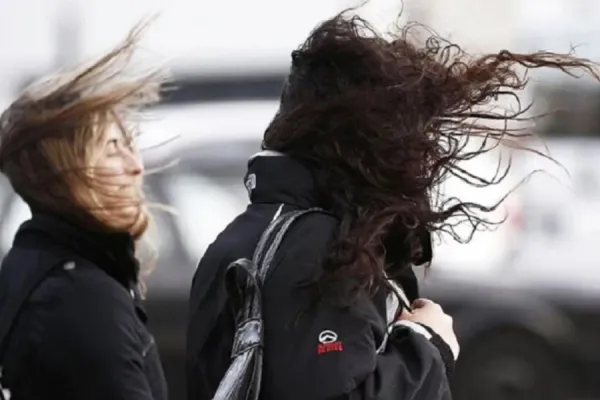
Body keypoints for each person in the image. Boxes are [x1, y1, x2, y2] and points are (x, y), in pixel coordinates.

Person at [185, 9, 599, 400]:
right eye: (408, 137)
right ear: (366, 144)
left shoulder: (245, 236)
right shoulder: (314, 247)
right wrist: (425, 345)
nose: (421, 157)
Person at [0, 22, 168, 400]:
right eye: (112, 148)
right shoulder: (84, 298)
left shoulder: (29, 267)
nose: (136, 165)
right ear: (64, 173)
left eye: (130, 144)